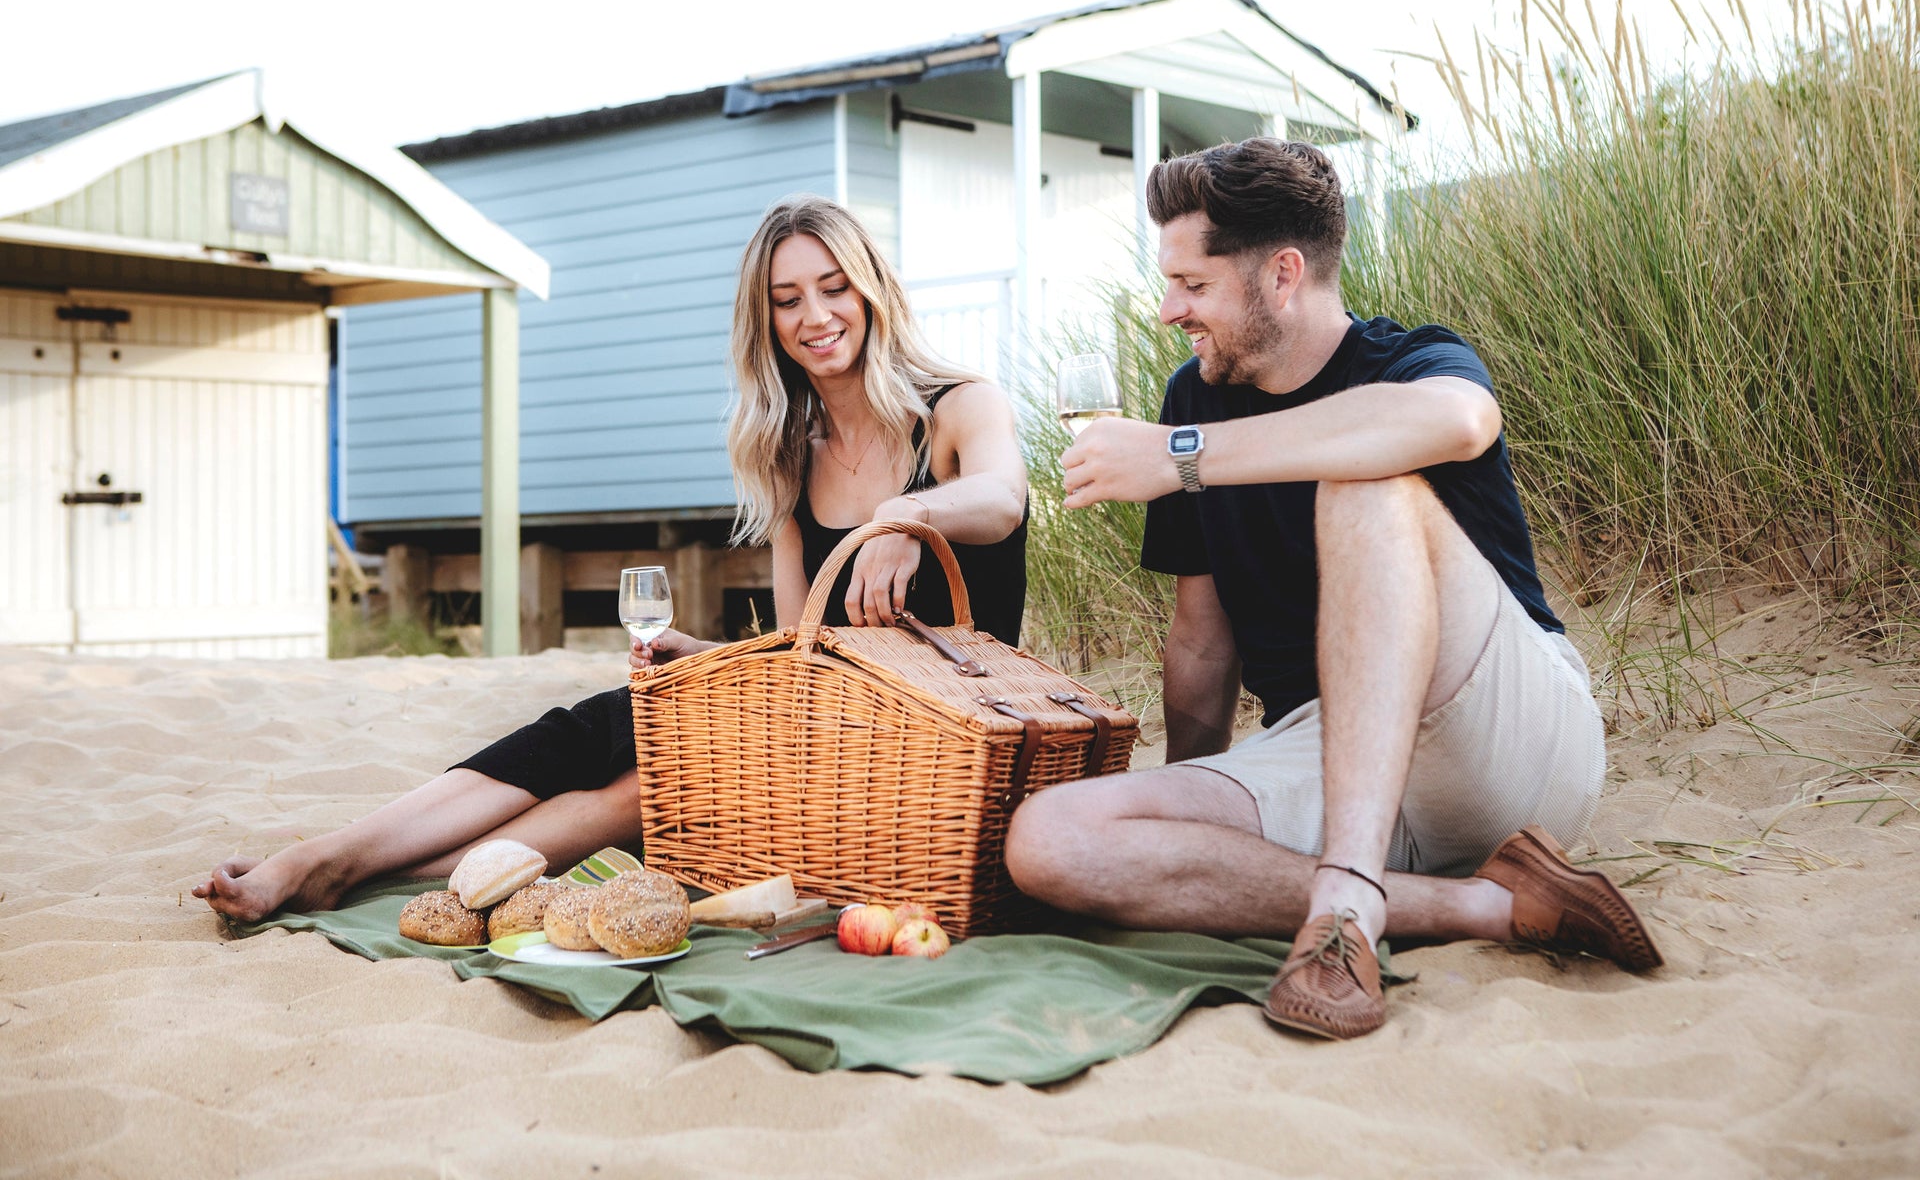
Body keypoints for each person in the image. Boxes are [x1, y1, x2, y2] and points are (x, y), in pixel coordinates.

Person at [196, 195, 1028, 922]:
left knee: (654, 784)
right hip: (823, 724)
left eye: (834, 287)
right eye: (787, 300)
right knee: (614, 718)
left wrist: (903, 514)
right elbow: (794, 651)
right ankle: (338, 856)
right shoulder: (789, 454)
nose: (815, 315)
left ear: (871, 288)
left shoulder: (958, 408)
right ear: (766, 321)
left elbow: (1002, 500)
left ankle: (351, 867)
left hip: (935, 742)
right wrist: (700, 659)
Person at [1002, 138, 1660, 1041]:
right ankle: (1489, 907)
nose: (1168, 311)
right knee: (1051, 838)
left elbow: (1460, 419)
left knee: (1364, 480)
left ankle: (1345, 911)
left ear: (1281, 274)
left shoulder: (1408, 360)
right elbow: (1201, 641)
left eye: (1193, 285)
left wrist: (1179, 459)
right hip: (1330, 753)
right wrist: (1184, 810)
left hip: (1498, 730)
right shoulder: (1191, 400)